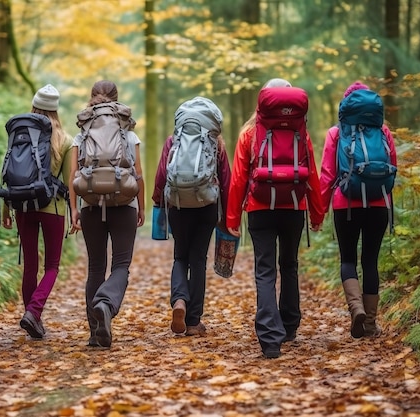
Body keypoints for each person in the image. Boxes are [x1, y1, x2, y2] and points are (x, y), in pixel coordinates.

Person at [225, 78, 324, 359]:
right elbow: (312, 175)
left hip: (259, 208)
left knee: (265, 270)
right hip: (294, 207)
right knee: (289, 264)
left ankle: (270, 338)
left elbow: (238, 180)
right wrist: (316, 213)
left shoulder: (249, 134)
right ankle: (290, 325)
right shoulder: (300, 134)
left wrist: (232, 218)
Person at [69, 80, 145, 348]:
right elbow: (138, 174)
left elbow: (73, 176)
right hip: (124, 202)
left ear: (92, 98)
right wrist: (142, 206)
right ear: (116, 98)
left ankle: (94, 332)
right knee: (121, 265)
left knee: (95, 267)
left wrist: (74, 209)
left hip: (90, 202)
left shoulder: (83, 130)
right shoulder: (127, 129)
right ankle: (106, 303)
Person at [319, 81, 397, 339]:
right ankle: (371, 324)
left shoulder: (336, 133)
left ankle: (356, 310)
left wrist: (318, 212)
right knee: (371, 261)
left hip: (346, 204)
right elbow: (392, 167)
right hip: (378, 204)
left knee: (348, 259)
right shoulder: (383, 131)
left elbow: (327, 175)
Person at [152, 98, 231, 337]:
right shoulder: (216, 143)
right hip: (207, 205)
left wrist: (159, 202)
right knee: (198, 259)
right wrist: (227, 217)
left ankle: (179, 301)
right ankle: (194, 321)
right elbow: (226, 180)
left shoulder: (173, 140)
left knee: (180, 257)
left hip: (177, 204)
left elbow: (162, 174)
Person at [2, 84, 72, 339]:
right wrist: (76, 213)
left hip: (21, 203)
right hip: (53, 207)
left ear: (34, 106)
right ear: (56, 110)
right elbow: (69, 182)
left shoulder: (18, 133)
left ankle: (32, 316)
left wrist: (5, 208)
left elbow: (9, 171)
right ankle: (33, 312)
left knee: (30, 265)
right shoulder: (65, 140)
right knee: (52, 266)